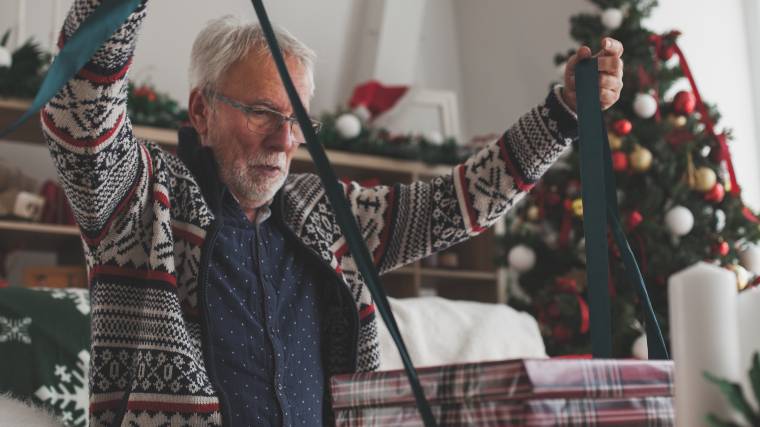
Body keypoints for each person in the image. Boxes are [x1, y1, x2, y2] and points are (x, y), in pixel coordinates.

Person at [41, 1, 623, 426]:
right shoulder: (140, 204)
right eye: (263, 113)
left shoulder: (324, 212)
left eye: (298, 121)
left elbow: (453, 204)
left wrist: (562, 113)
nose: (284, 141)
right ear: (202, 110)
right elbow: (80, 106)